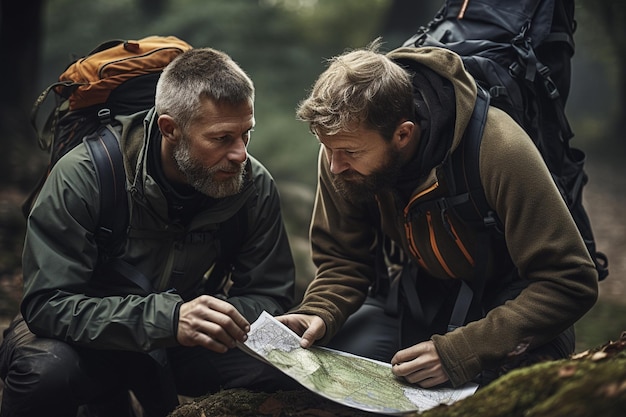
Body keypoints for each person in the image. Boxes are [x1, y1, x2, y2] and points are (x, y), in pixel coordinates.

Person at [276, 40, 599, 389]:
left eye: (349, 152)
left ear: (403, 134)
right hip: (422, 298)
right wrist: (318, 310)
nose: (335, 166)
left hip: (516, 308)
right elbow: (343, 260)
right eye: (327, 148)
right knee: (319, 377)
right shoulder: (342, 154)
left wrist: (460, 351)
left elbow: (570, 281)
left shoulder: (498, 148)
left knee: (509, 395)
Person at [0, 47, 299, 417]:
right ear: (169, 129)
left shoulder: (252, 186)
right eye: (222, 138)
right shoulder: (85, 175)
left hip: (185, 336)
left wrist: (220, 317)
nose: (240, 153)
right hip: (83, 334)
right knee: (45, 373)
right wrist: (168, 319)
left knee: (290, 370)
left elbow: (269, 293)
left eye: (246, 134)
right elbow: (48, 305)